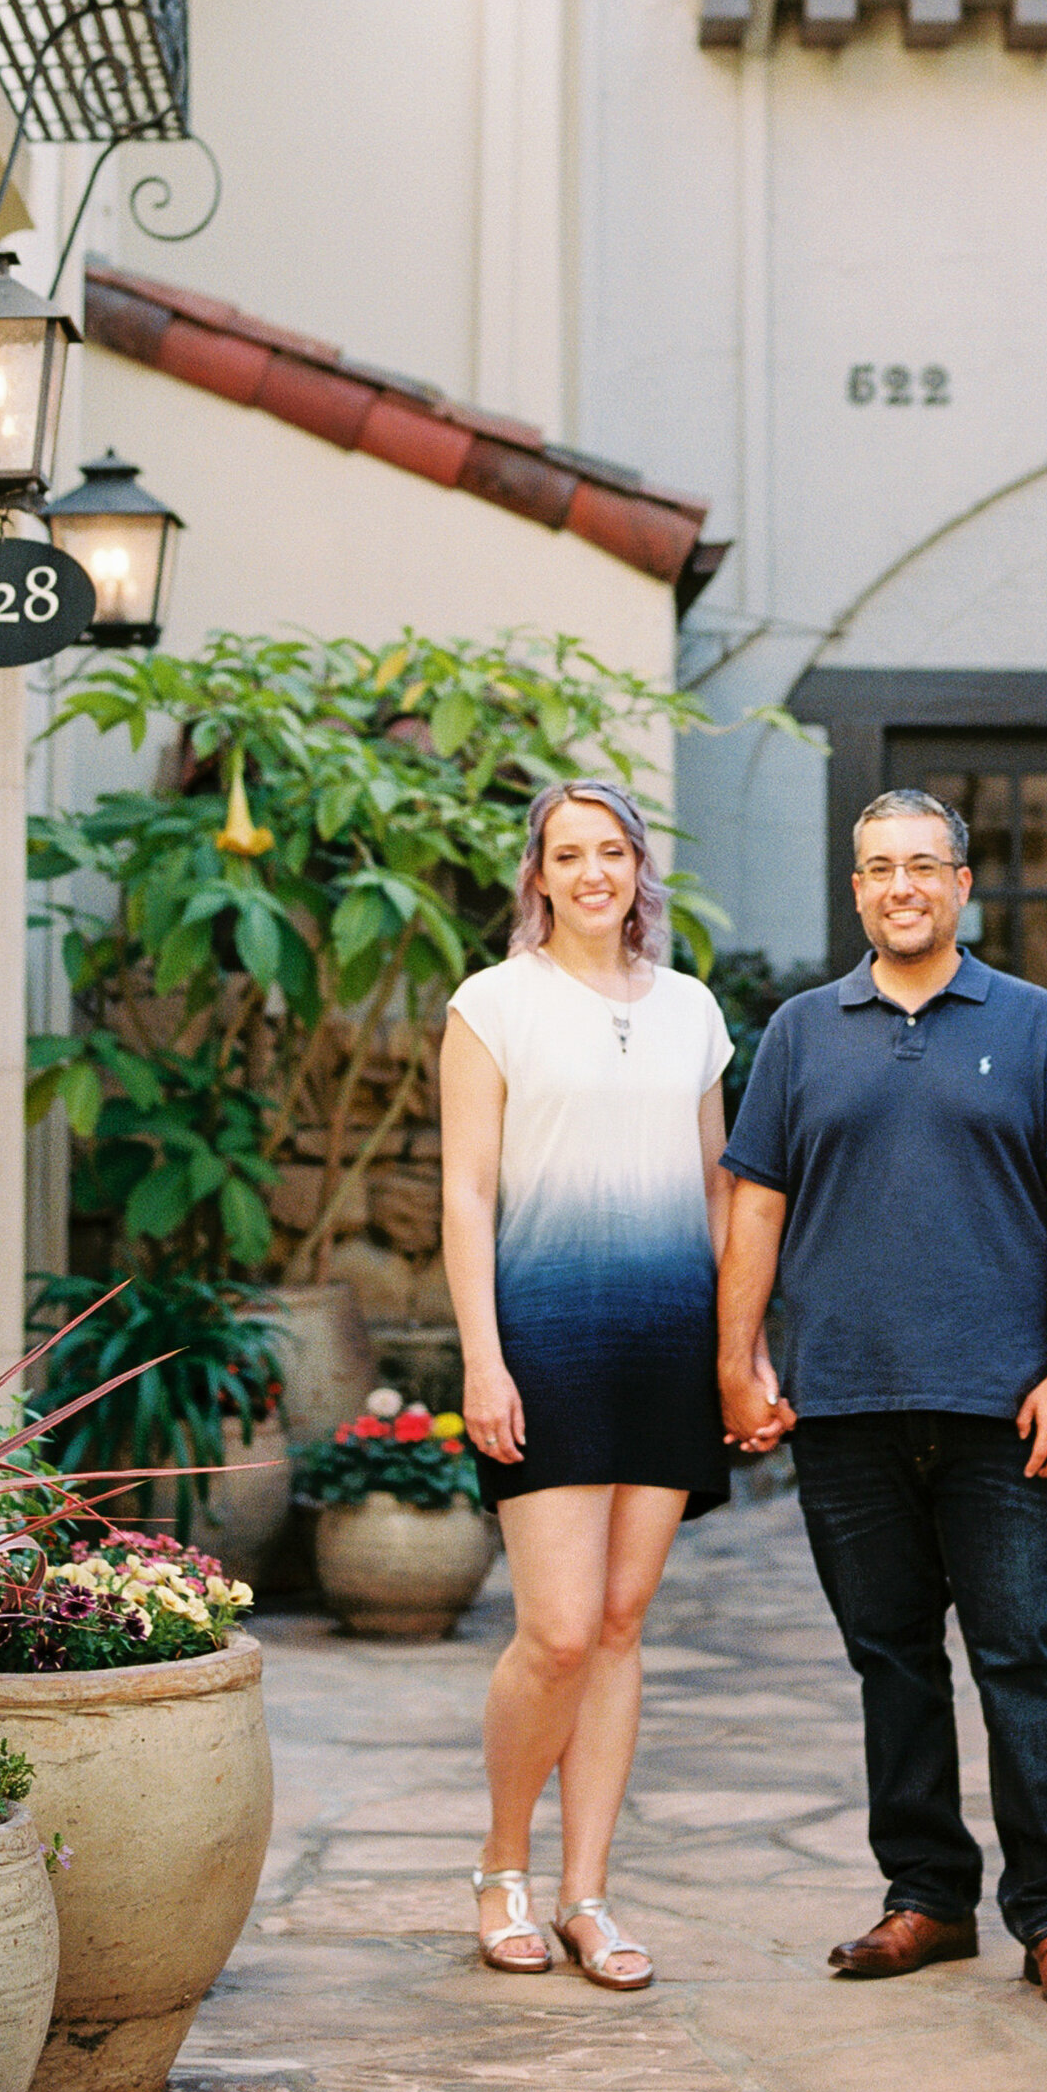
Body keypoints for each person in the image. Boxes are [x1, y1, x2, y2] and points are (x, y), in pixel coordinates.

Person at [716, 787, 1047, 2008]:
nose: (901, 885)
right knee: (890, 1659)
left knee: (1027, 1659)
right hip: (843, 1407)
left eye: (923, 865)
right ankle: (928, 1897)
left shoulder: (1038, 1025)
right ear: (855, 890)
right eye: (878, 867)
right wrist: (737, 1358)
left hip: (1006, 1412)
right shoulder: (797, 1032)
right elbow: (756, 1206)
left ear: (960, 886)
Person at [439, 778, 733, 1994]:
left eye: (611, 850)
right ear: (539, 875)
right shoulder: (491, 1004)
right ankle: (502, 1865)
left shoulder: (692, 1010)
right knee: (555, 1630)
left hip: (666, 1339)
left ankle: (585, 1895)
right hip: (544, 1338)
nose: (592, 872)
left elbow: (719, 1190)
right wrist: (482, 1356)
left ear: (637, 869)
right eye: (569, 854)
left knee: (619, 1626)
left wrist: (736, 1348)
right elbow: (467, 1192)